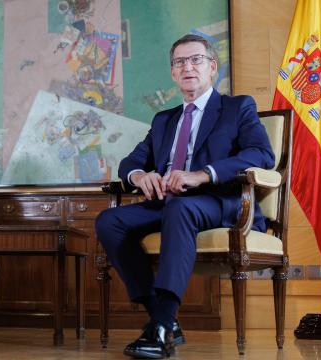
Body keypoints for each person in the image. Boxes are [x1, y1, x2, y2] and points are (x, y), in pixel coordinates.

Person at [95, 34, 274, 359]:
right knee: (110, 220)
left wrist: (202, 174)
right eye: (179, 62)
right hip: (171, 202)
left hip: (222, 201)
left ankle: (160, 329)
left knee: (180, 207)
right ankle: (162, 319)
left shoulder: (237, 107)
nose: (187, 67)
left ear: (211, 67)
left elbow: (261, 154)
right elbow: (131, 162)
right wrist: (141, 175)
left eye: (196, 60)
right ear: (173, 73)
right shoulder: (165, 119)